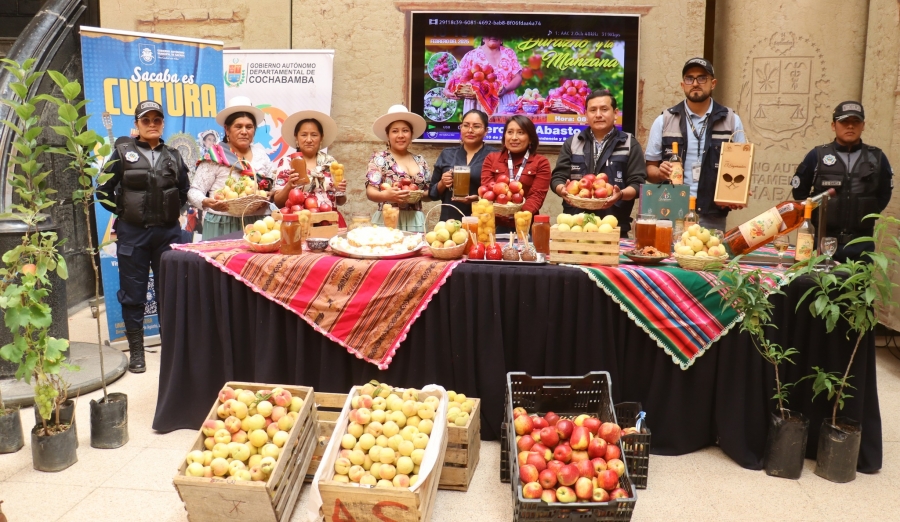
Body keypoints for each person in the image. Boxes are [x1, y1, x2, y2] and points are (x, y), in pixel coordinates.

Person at [96, 100, 190, 373]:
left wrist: (171, 211)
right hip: (133, 235)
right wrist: (124, 211)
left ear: (163, 124)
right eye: (145, 120)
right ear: (136, 124)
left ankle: (171, 350)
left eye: (156, 120)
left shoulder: (174, 155)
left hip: (167, 235)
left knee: (169, 293)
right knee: (133, 294)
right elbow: (102, 190)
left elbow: (184, 191)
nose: (152, 124)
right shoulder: (121, 153)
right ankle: (137, 351)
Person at [644, 58, 746, 231]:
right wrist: (660, 173)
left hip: (712, 214)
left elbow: (741, 167)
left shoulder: (731, 121)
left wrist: (738, 193)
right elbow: (649, 170)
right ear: (682, 84)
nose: (695, 83)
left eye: (702, 78)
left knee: (708, 250)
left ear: (713, 83)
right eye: (689, 78)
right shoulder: (664, 121)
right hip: (672, 212)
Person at [791, 101, 894, 262]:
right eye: (844, 121)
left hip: (861, 244)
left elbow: (884, 195)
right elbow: (800, 193)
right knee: (818, 279)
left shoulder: (877, 157)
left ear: (863, 125)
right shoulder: (817, 156)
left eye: (856, 121)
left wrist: (864, 214)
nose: (850, 126)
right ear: (834, 125)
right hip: (822, 241)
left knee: (859, 279)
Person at [551, 90, 647, 237]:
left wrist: (620, 194)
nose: (598, 115)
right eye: (592, 110)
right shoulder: (572, 143)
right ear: (585, 114)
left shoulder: (629, 144)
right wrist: (561, 189)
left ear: (615, 113)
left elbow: (638, 184)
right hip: (576, 226)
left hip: (614, 227)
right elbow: (557, 177)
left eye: (604, 109)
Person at [188, 96, 274, 240]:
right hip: (223, 224)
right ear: (227, 130)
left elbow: (273, 187)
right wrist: (206, 202)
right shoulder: (215, 156)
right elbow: (194, 191)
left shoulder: (261, 155)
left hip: (259, 225)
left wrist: (271, 194)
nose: (244, 131)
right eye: (238, 126)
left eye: (249, 127)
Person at [272, 110, 347, 227]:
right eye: (303, 135)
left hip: (329, 221)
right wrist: (289, 186)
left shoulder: (330, 162)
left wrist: (340, 191)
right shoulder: (287, 162)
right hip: (299, 223)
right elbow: (278, 203)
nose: (309, 140)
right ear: (296, 137)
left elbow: (341, 201)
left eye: (314, 135)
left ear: (321, 138)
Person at [480, 115, 552, 233]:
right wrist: (503, 214)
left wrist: (518, 217)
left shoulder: (541, 162)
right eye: (510, 132)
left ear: (530, 138)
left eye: (520, 133)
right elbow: (488, 192)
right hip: (493, 224)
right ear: (504, 136)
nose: (514, 137)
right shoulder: (491, 159)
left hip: (525, 224)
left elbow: (536, 196)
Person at [365, 105, 431, 232]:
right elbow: (370, 192)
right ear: (388, 135)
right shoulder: (380, 159)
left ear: (411, 134)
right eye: (395, 131)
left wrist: (418, 194)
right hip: (389, 218)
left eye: (405, 130)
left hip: (416, 220)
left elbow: (428, 194)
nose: (400, 135)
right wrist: (386, 195)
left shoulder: (420, 161)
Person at [429, 109, 497, 220]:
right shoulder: (447, 153)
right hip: (449, 221)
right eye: (466, 125)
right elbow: (432, 194)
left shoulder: (494, 156)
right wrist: (442, 183)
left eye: (476, 126)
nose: (470, 130)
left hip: (481, 220)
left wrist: (479, 199)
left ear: (486, 131)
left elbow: (501, 196)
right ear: (460, 128)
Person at [444, 36, 524, 115]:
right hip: (477, 106)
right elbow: (455, 76)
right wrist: (446, 89)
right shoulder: (471, 55)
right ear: (483, 37)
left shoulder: (509, 53)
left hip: (506, 104)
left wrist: (506, 89)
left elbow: (518, 77)